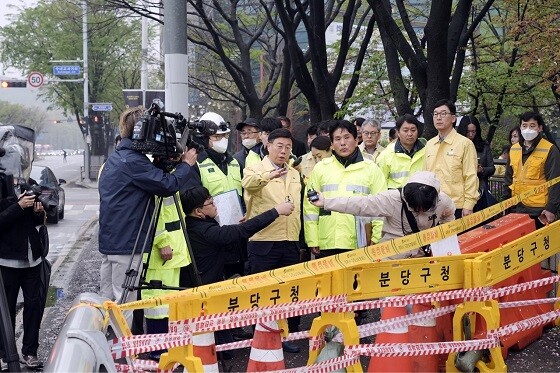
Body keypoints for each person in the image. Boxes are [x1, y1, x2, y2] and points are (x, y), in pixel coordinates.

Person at [98, 106, 198, 329]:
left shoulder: (119, 158)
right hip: (127, 245)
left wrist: (162, 164)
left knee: (107, 300)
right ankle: (121, 356)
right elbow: (167, 185)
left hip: (112, 242)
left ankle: (104, 350)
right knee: (123, 304)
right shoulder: (133, 162)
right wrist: (186, 165)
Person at [241, 128, 302, 353]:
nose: (284, 151)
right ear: (268, 145)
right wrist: (269, 176)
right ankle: (261, 334)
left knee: (288, 291)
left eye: (288, 147)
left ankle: (285, 334)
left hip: (290, 238)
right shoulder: (255, 168)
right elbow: (248, 184)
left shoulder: (294, 173)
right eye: (279, 146)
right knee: (262, 290)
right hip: (263, 240)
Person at [309, 171, 455, 259]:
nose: (419, 212)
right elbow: (361, 204)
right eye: (415, 208)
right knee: (393, 306)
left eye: (424, 209)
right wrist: (326, 202)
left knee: (420, 305)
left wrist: (439, 239)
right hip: (392, 258)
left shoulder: (443, 201)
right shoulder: (392, 199)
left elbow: (449, 217)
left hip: (423, 258)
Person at [304, 120, 387, 259]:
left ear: (356, 140)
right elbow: (310, 207)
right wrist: (313, 238)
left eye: (347, 137)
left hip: (360, 242)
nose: (342, 143)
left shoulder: (371, 169)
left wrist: (377, 237)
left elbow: (381, 205)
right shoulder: (321, 168)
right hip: (327, 241)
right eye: (337, 139)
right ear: (331, 143)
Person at [0, 172, 46, 369]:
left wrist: (37, 211)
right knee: (6, 312)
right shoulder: (3, 185)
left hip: (32, 260)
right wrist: (18, 206)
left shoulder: (27, 185)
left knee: (34, 308)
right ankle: (6, 355)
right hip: (7, 261)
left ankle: (30, 352)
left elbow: (34, 223)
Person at [141, 193, 191, 361]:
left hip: (172, 252)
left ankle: (166, 347)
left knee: (167, 302)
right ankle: (158, 349)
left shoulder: (165, 177)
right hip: (161, 254)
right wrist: (162, 242)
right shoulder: (155, 180)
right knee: (157, 304)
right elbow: (150, 215)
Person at [504, 112, 560, 228]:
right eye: (524, 126)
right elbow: (509, 178)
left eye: (532, 125)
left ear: (540, 128)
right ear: (520, 127)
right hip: (516, 207)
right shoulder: (514, 149)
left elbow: (555, 182)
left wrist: (551, 208)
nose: (528, 129)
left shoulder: (550, 150)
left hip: (539, 210)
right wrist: (505, 203)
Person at [425, 99, 479, 218]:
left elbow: (470, 176)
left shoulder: (465, 144)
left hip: (456, 206)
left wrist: (469, 205)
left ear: (453, 118)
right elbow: (426, 175)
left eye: (443, 114)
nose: (438, 117)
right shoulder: (429, 144)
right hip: (432, 207)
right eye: (435, 114)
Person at [457, 116, 496, 211]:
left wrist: (482, 170)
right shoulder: (457, 146)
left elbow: (492, 168)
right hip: (461, 189)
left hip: (480, 188)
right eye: (468, 131)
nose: (471, 134)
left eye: (473, 131)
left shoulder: (484, 147)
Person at [376, 114, 425, 188]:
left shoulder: (427, 152)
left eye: (413, 130)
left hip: (421, 197)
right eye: (405, 130)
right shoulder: (386, 155)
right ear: (398, 133)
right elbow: (379, 185)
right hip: (394, 198)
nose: (410, 134)